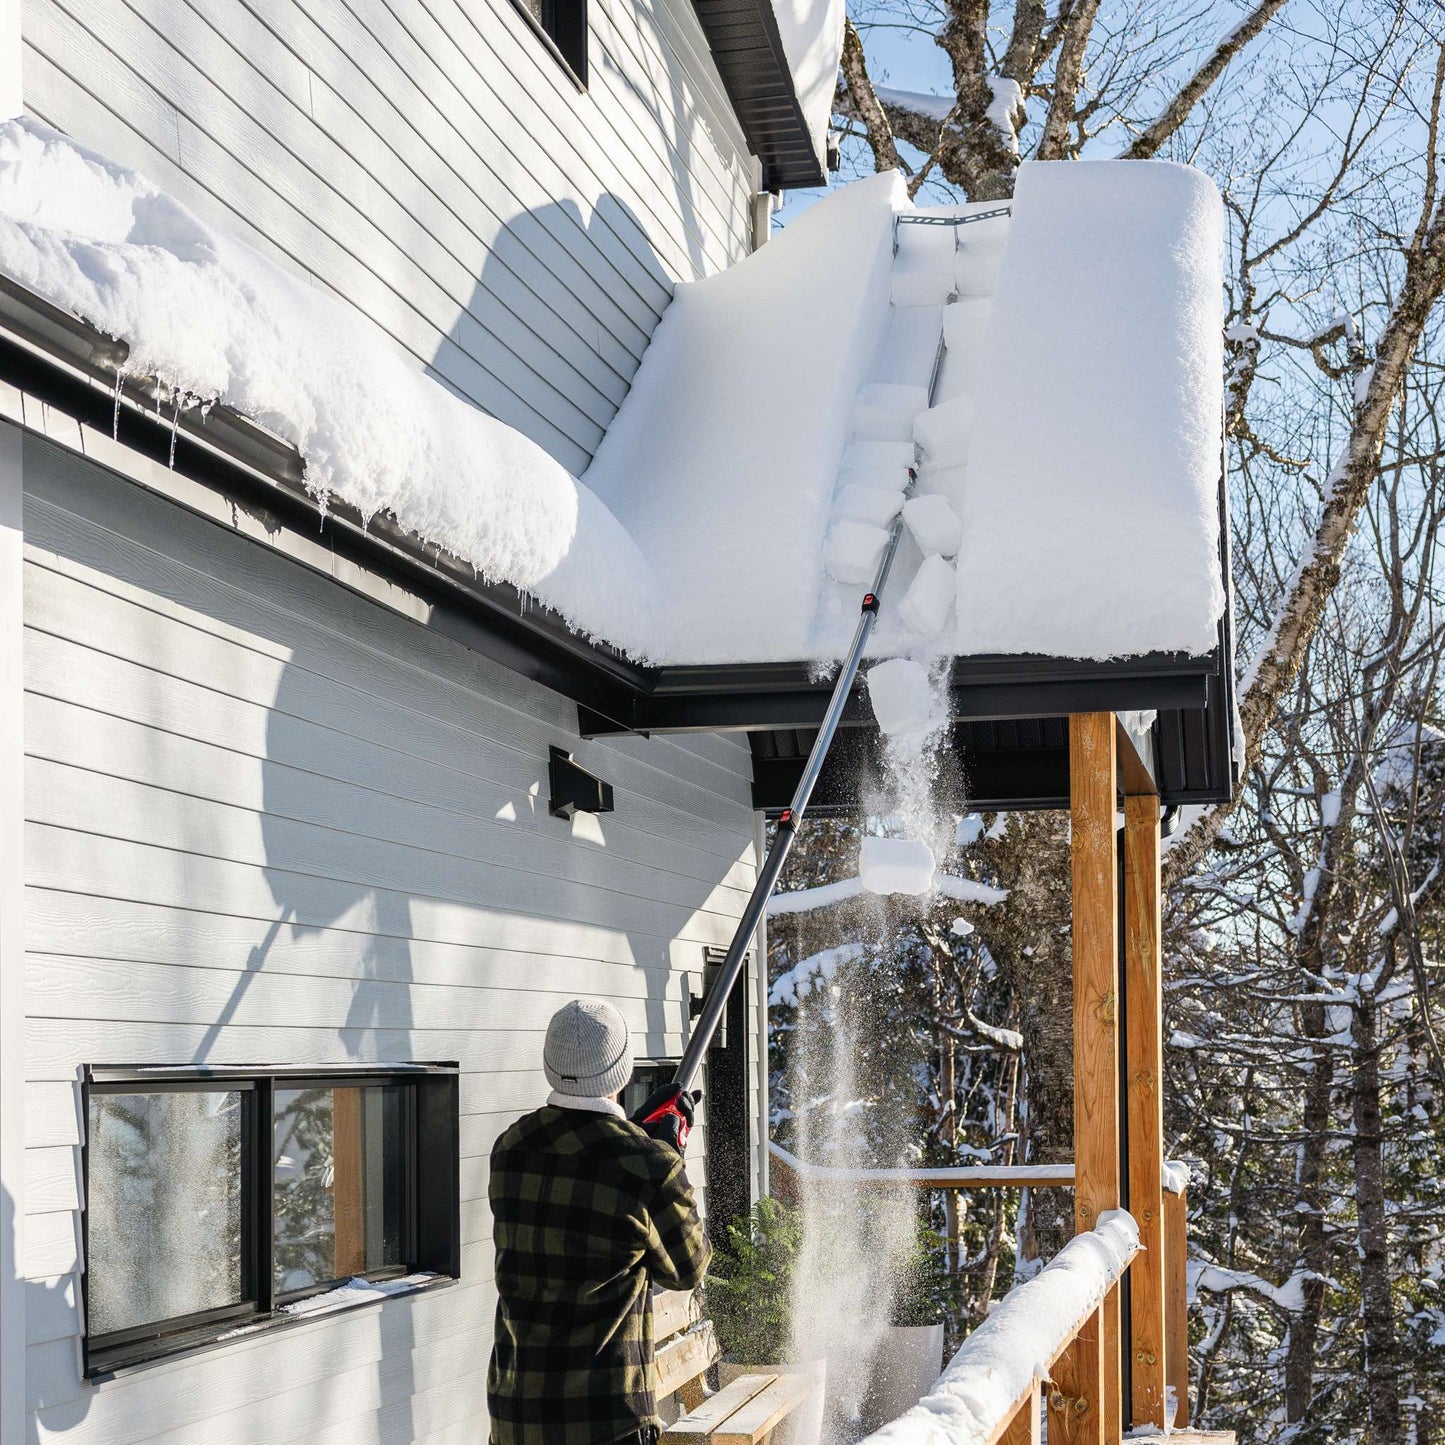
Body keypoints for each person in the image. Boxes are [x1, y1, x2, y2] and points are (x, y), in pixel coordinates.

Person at [487, 998, 710, 1445]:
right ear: (622, 1070)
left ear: (551, 1064)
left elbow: (583, 1174)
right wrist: (669, 1158)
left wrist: (645, 1143)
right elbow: (688, 1268)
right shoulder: (646, 1166)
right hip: (606, 1420)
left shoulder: (511, 1147)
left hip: (518, 1414)